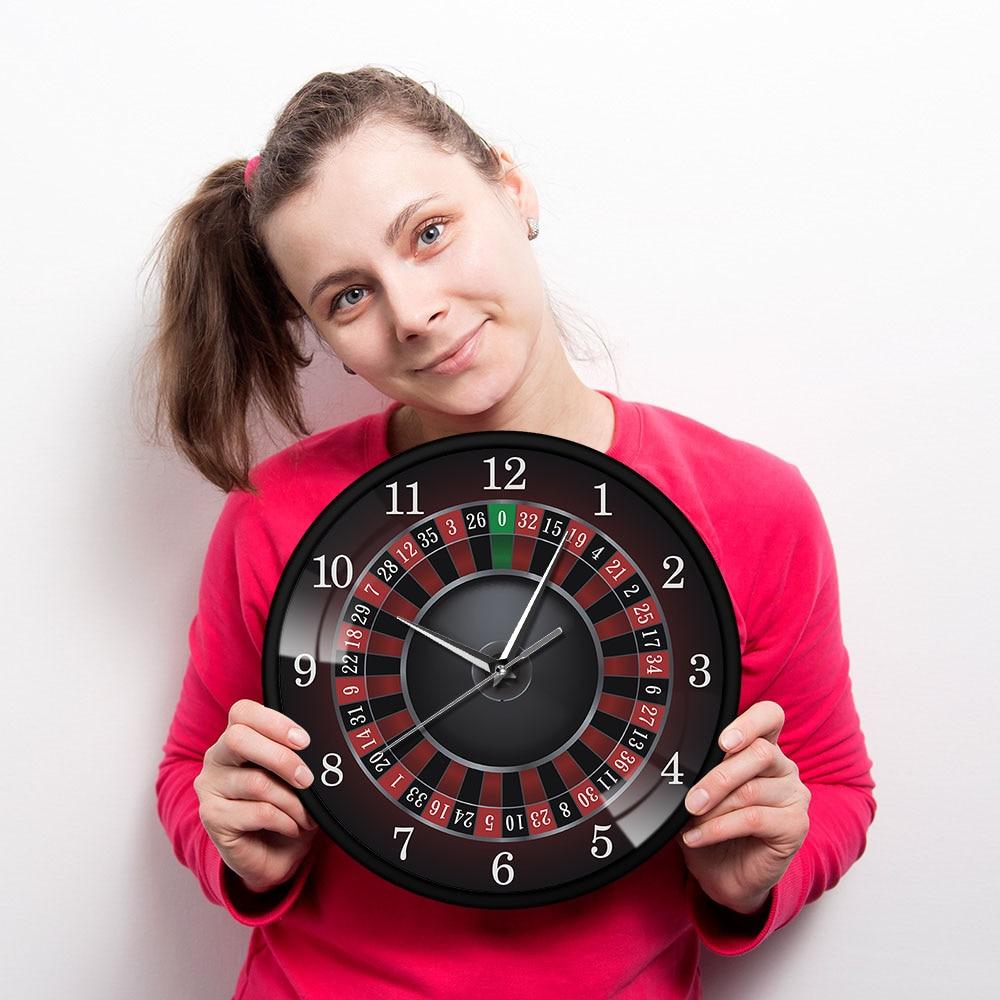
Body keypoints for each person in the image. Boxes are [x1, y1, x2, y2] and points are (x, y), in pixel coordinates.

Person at [143, 66, 877, 999]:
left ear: (512, 188)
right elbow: (191, 770)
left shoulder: (752, 506)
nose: (414, 313)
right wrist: (241, 845)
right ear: (324, 337)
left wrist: (755, 875)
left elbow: (835, 787)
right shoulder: (277, 513)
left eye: (430, 233)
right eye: (348, 296)